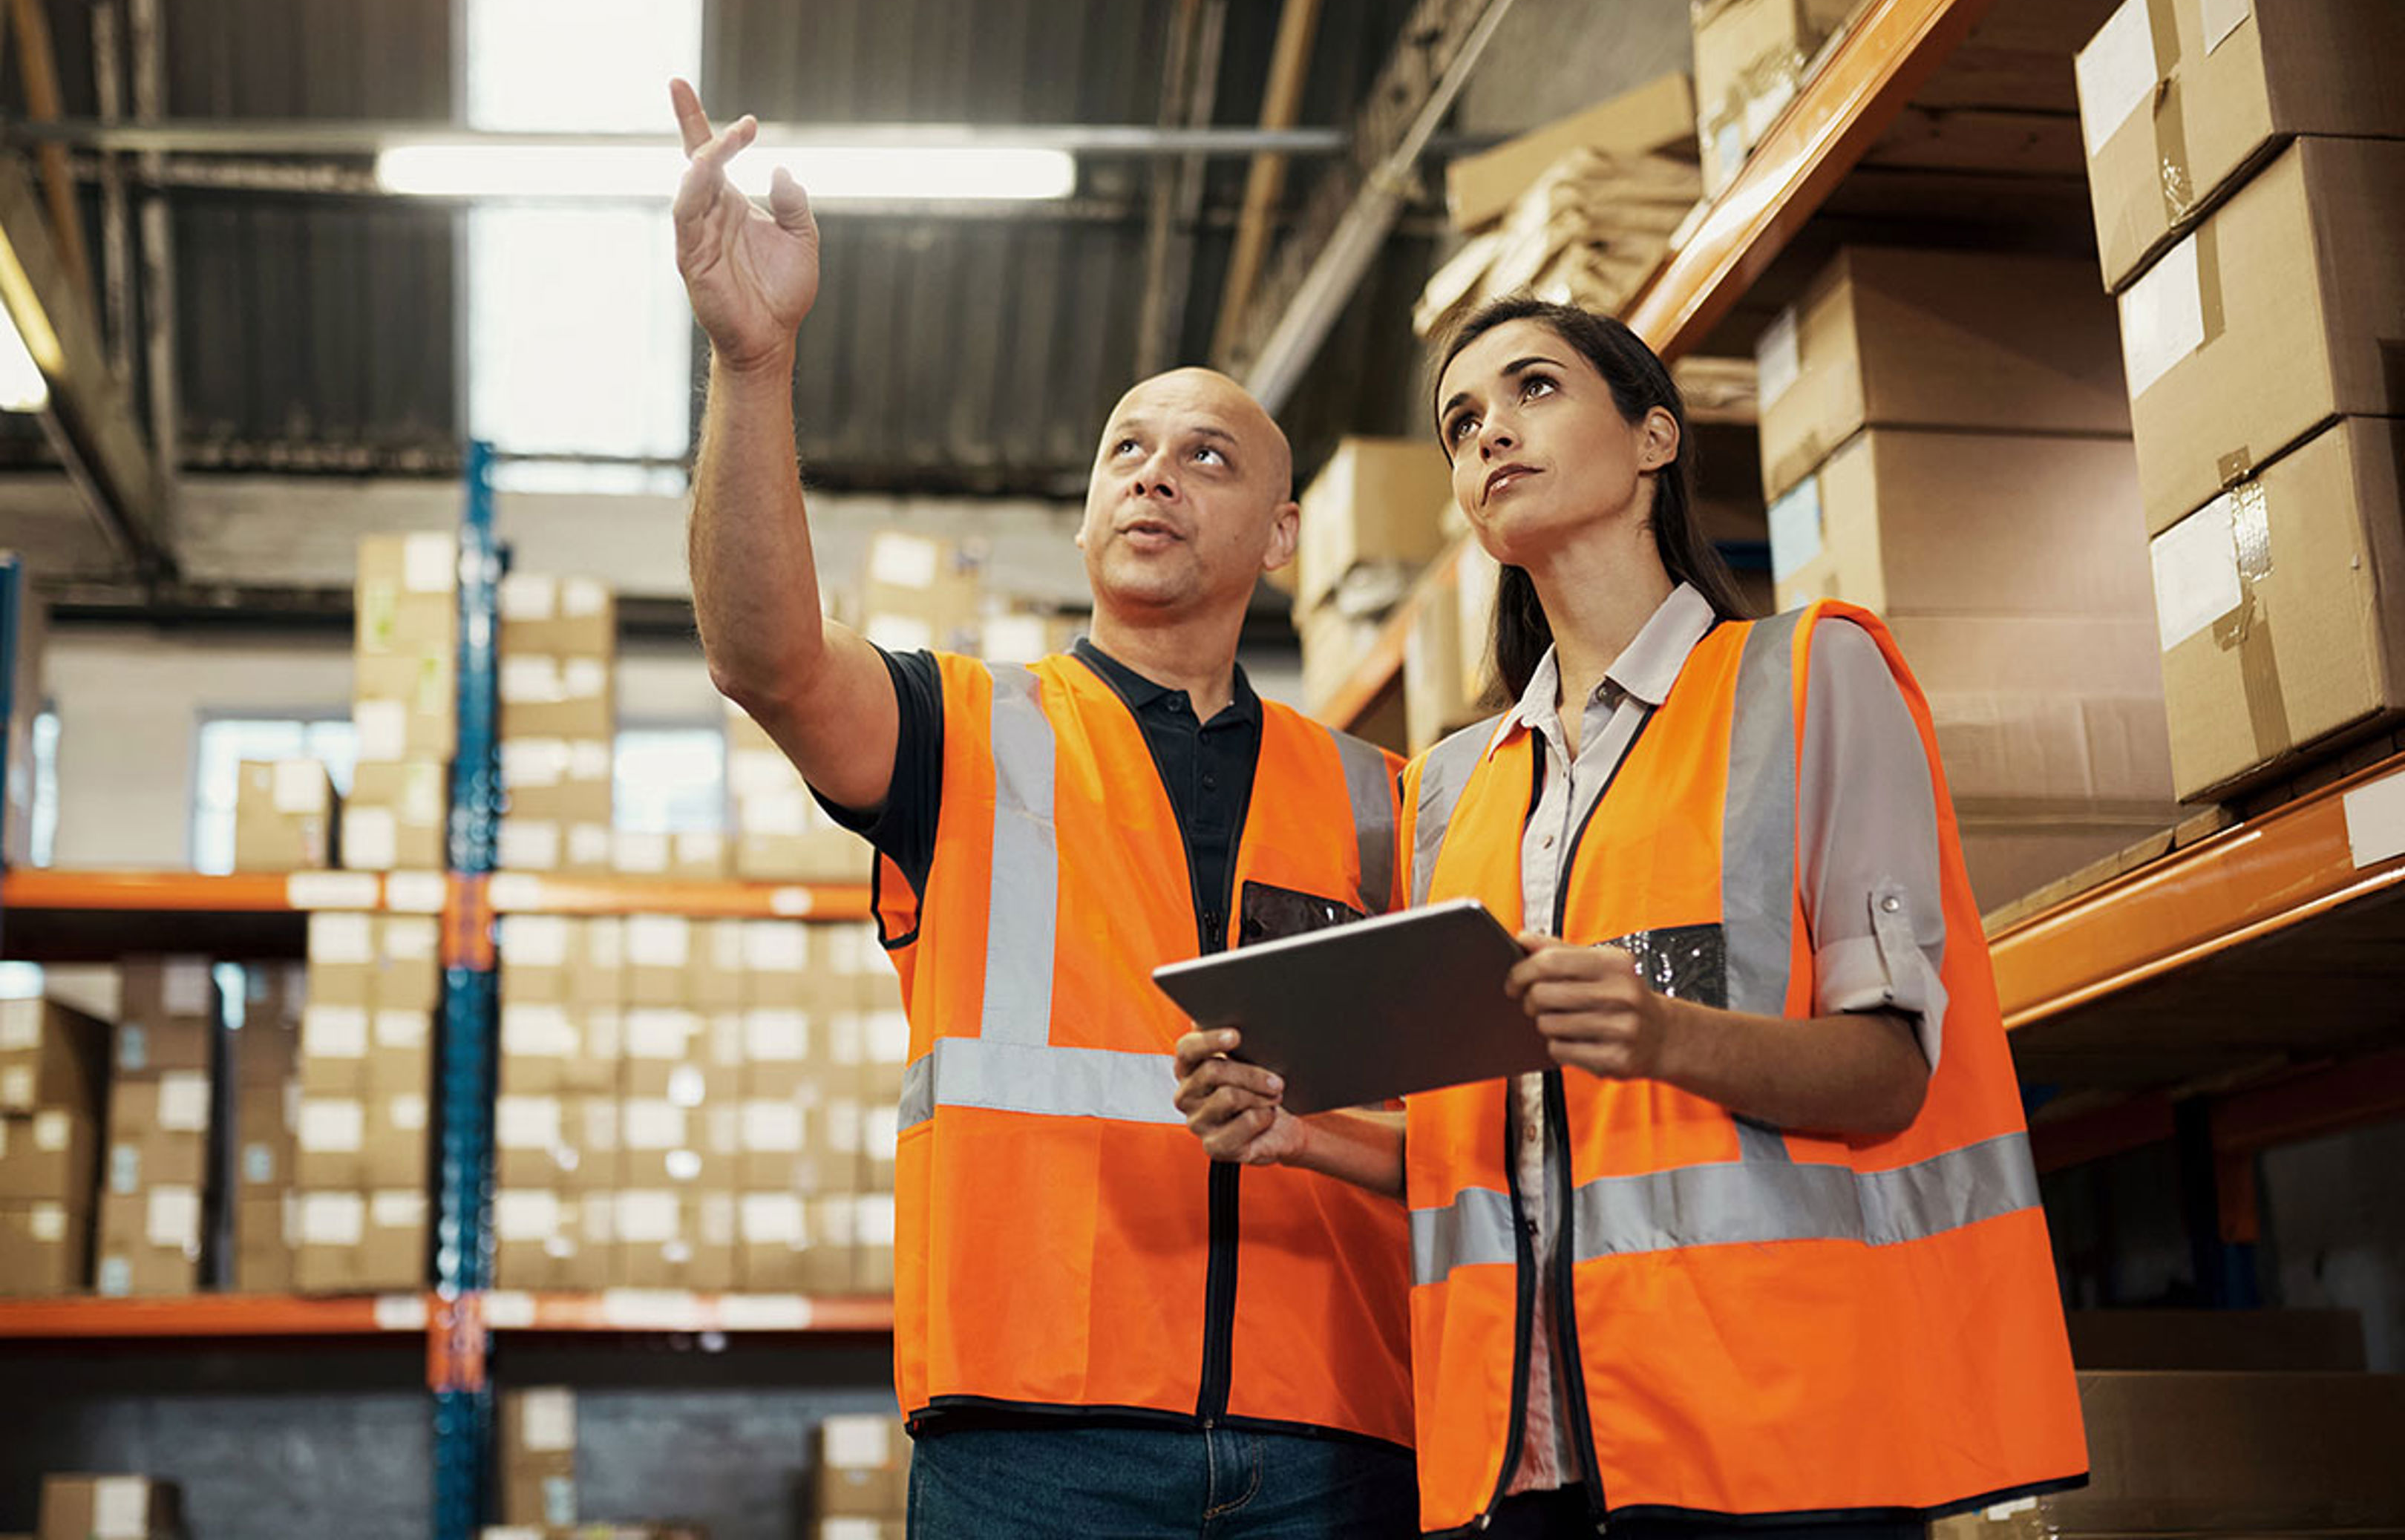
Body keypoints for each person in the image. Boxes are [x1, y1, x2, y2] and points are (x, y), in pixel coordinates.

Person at [1176, 297, 2088, 1538]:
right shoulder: (1450, 789)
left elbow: (1889, 1078)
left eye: (1535, 389)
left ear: (1656, 436)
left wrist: (1662, 1036)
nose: (1491, 432)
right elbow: (1487, 1149)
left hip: (1771, 1444)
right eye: (1461, 424)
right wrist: (1303, 1134)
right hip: (1520, 1463)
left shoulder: (1808, 680)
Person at [670, 79, 1421, 1539]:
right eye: (1127, 450)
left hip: (1335, 1438)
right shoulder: (965, 731)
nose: (1156, 476)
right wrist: (753, 365)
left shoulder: (1383, 800)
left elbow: (1458, 1126)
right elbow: (764, 659)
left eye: (1207, 456)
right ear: (1085, 516)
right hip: (1036, 1442)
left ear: (1283, 535)